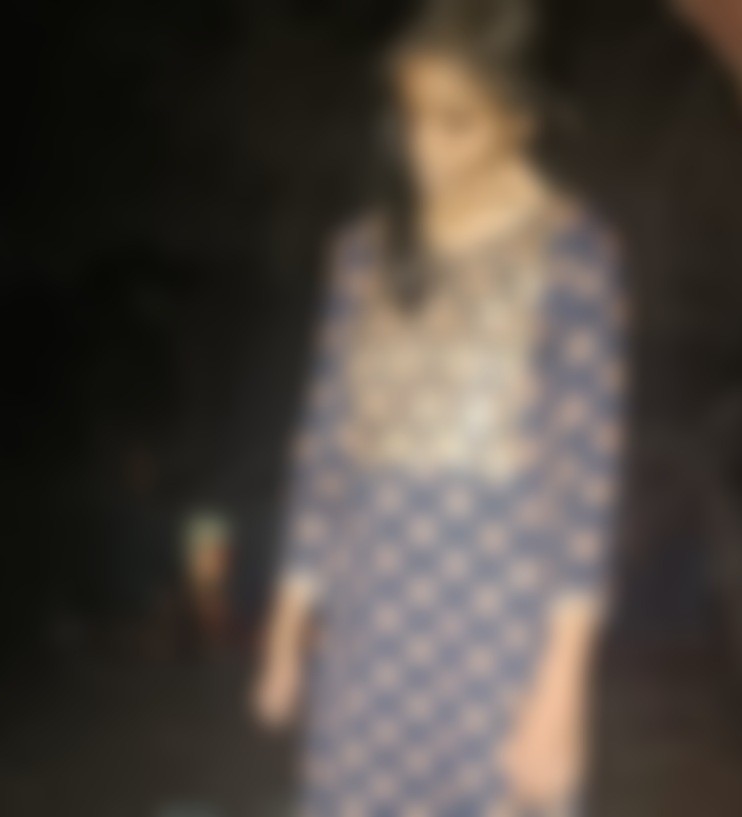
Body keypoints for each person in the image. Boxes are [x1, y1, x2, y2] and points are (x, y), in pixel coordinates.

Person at [252, 0, 627, 813]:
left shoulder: (574, 254)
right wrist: (286, 623)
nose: (424, 146)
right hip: (367, 631)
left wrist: (562, 688)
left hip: (499, 638)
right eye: (412, 116)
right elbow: (323, 445)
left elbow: (586, 486)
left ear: (519, 121)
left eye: (456, 123)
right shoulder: (361, 252)